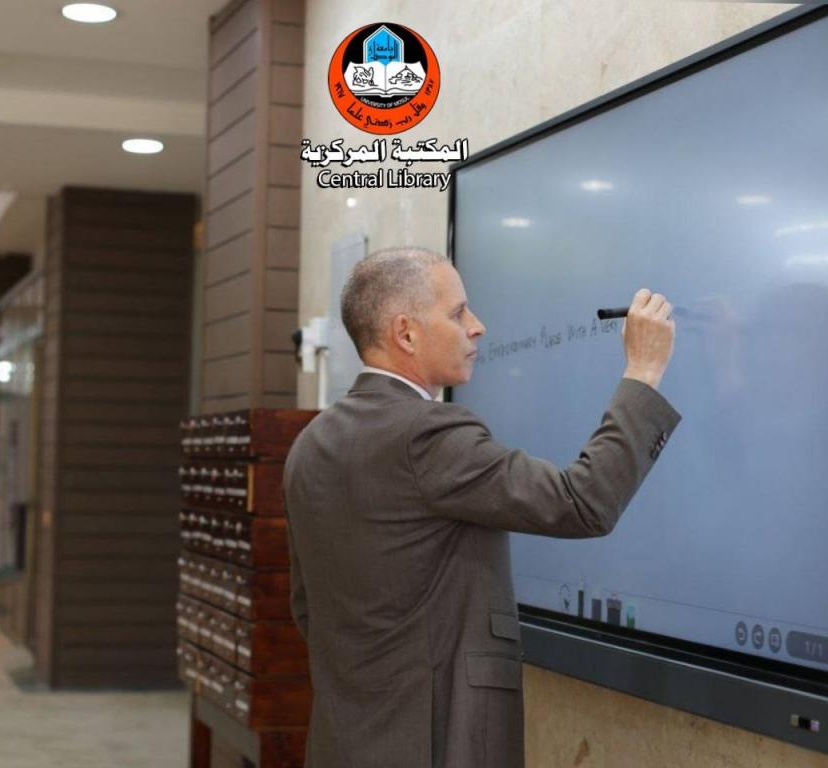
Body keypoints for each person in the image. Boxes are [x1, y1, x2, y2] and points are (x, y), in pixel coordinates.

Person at [283, 248, 679, 768]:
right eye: (457, 313)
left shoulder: (310, 444)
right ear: (406, 334)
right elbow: (583, 502)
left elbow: (308, 609)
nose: (477, 326)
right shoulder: (427, 433)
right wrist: (643, 372)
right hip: (435, 745)